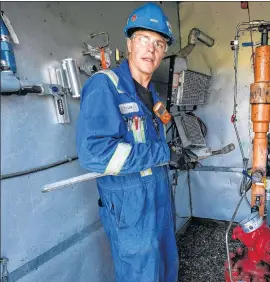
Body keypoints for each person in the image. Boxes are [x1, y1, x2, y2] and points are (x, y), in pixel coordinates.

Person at [76, 3, 196, 281]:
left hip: (159, 201)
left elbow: (152, 145)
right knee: (141, 275)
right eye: (143, 39)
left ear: (164, 52)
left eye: (159, 43)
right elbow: (94, 154)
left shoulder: (151, 96)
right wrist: (164, 153)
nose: (150, 49)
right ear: (129, 44)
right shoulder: (105, 86)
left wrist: (175, 152)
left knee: (167, 269)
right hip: (130, 210)